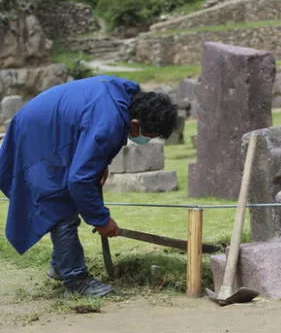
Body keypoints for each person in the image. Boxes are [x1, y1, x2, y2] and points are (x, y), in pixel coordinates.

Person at [0, 75, 177, 297]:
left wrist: (100, 163)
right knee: (60, 205)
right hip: (38, 137)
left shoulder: (127, 98)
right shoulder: (110, 121)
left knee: (65, 202)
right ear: (135, 124)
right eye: (146, 136)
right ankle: (76, 280)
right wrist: (101, 219)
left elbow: (88, 138)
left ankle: (61, 266)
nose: (144, 140)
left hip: (46, 125)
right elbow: (79, 180)